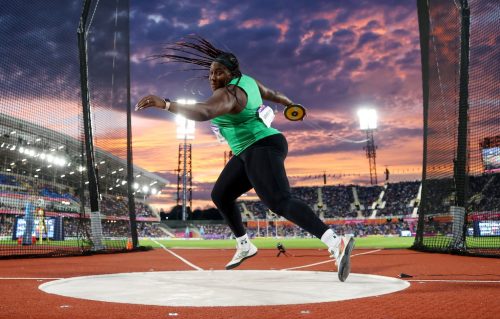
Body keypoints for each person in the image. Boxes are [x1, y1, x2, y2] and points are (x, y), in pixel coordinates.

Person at [135, 35, 355, 282]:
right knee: (221, 194)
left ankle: (335, 241)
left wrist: (166, 104)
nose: (213, 78)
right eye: (211, 73)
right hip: (248, 151)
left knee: (279, 201)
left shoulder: (229, 94)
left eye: (218, 73)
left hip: (261, 145)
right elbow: (270, 92)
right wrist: (290, 103)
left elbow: (203, 111)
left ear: (230, 74)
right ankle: (244, 245)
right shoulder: (249, 82)